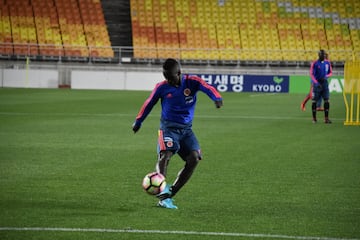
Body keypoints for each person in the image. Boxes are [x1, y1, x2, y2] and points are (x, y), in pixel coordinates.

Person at [132, 58, 223, 209]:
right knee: (165, 156)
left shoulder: (192, 81)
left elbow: (208, 87)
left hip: (186, 130)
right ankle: (163, 195)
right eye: (165, 76)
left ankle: (170, 193)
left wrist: (217, 98)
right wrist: (138, 121)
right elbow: (149, 103)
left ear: (179, 73)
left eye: (170, 77)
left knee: (194, 158)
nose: (167, 80)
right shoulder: (161, 87)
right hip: (168, 128)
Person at [309, 49, 332, 123]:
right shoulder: (315, 63)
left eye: (324, 54)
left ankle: (326, 118)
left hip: (324, 83)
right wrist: (316, 83)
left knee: (327, 100)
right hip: (317, 83)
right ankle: (314, 118)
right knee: (314, 101)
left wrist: (326, 76)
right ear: (319, 55)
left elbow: (330, 72)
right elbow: (311, 74)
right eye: (322, 54)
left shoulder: (327, 63)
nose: (323, 56)